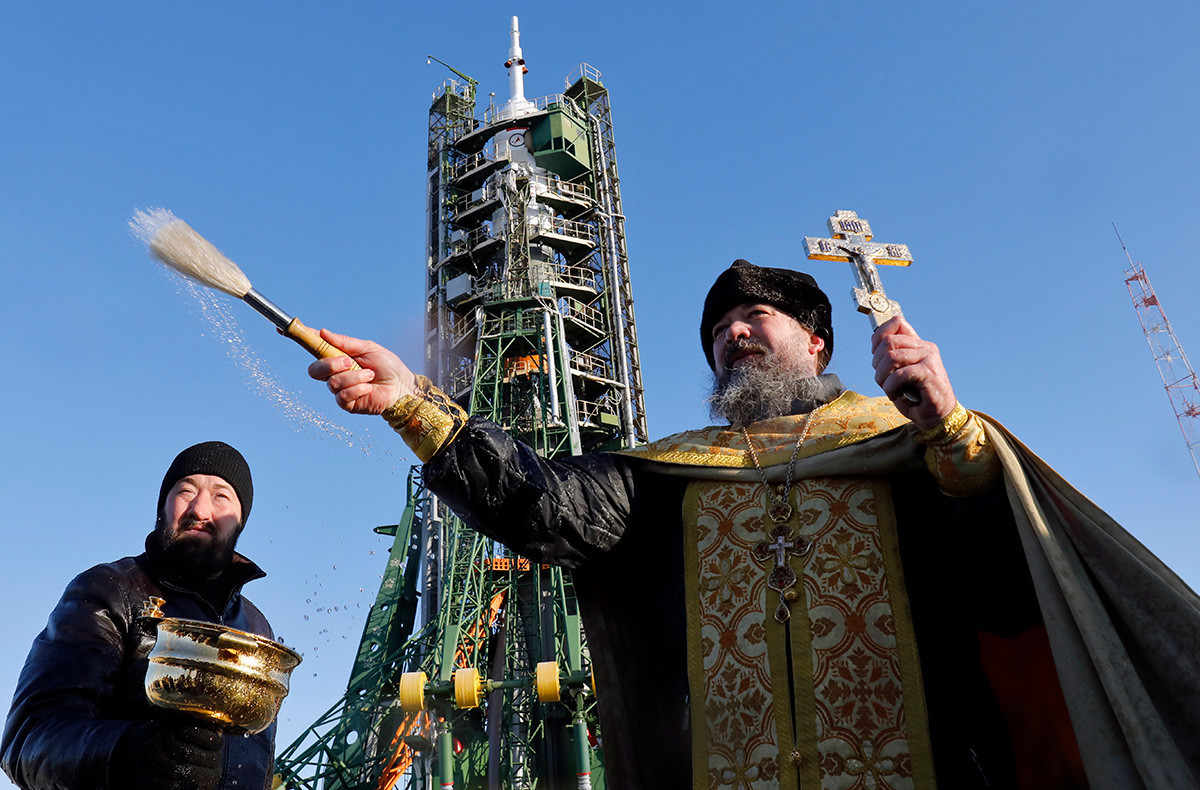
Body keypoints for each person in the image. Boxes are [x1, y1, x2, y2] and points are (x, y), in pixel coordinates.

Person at [309, 260, 1200, 789]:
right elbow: (546, 502)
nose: (734, 333)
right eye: (719, 329)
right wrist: (417, 406)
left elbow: (1003, 589)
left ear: (818, 341)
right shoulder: (673, 478)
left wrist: (946, 431)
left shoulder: (903, 447)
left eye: (755, 317)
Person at [2, 441, 278, 790]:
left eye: (222, 496)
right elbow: (27, 741)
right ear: (163, 506)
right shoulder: (109, 589)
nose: (200, 508)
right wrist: (129, 752)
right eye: (185, 490)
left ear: (240, 520)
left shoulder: (256, 629)